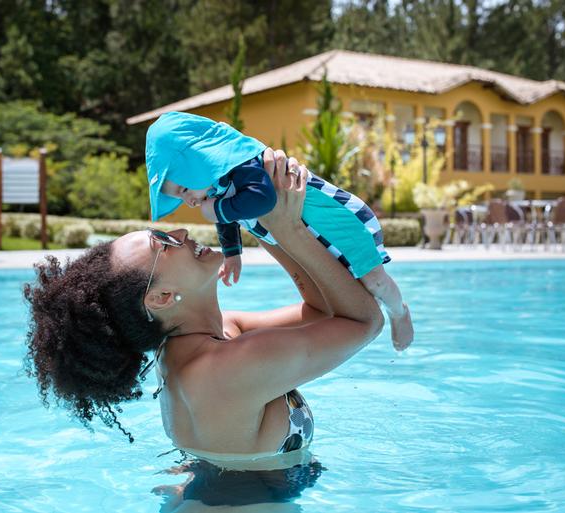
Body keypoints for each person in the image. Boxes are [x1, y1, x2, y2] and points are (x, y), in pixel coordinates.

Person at [24, 150, 383, 461]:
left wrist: (262, 214)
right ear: (161, 298)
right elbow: (365, 321)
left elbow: (321, 314)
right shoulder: (228, 366)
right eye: (162, 242)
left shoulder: (206, 340)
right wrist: (289, 231)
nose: (179, 233)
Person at [146, 112, 413, 350]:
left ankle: (399, 311)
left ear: (196, 163)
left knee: (375, 282)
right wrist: (232, 254)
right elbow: (230, 216)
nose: (189, 201)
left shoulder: (245, 164)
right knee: (346, 296)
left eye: (184, 190)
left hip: (345, 224)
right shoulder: (216, 185)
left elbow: (263, 199)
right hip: (315, 234)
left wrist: (218, 210)